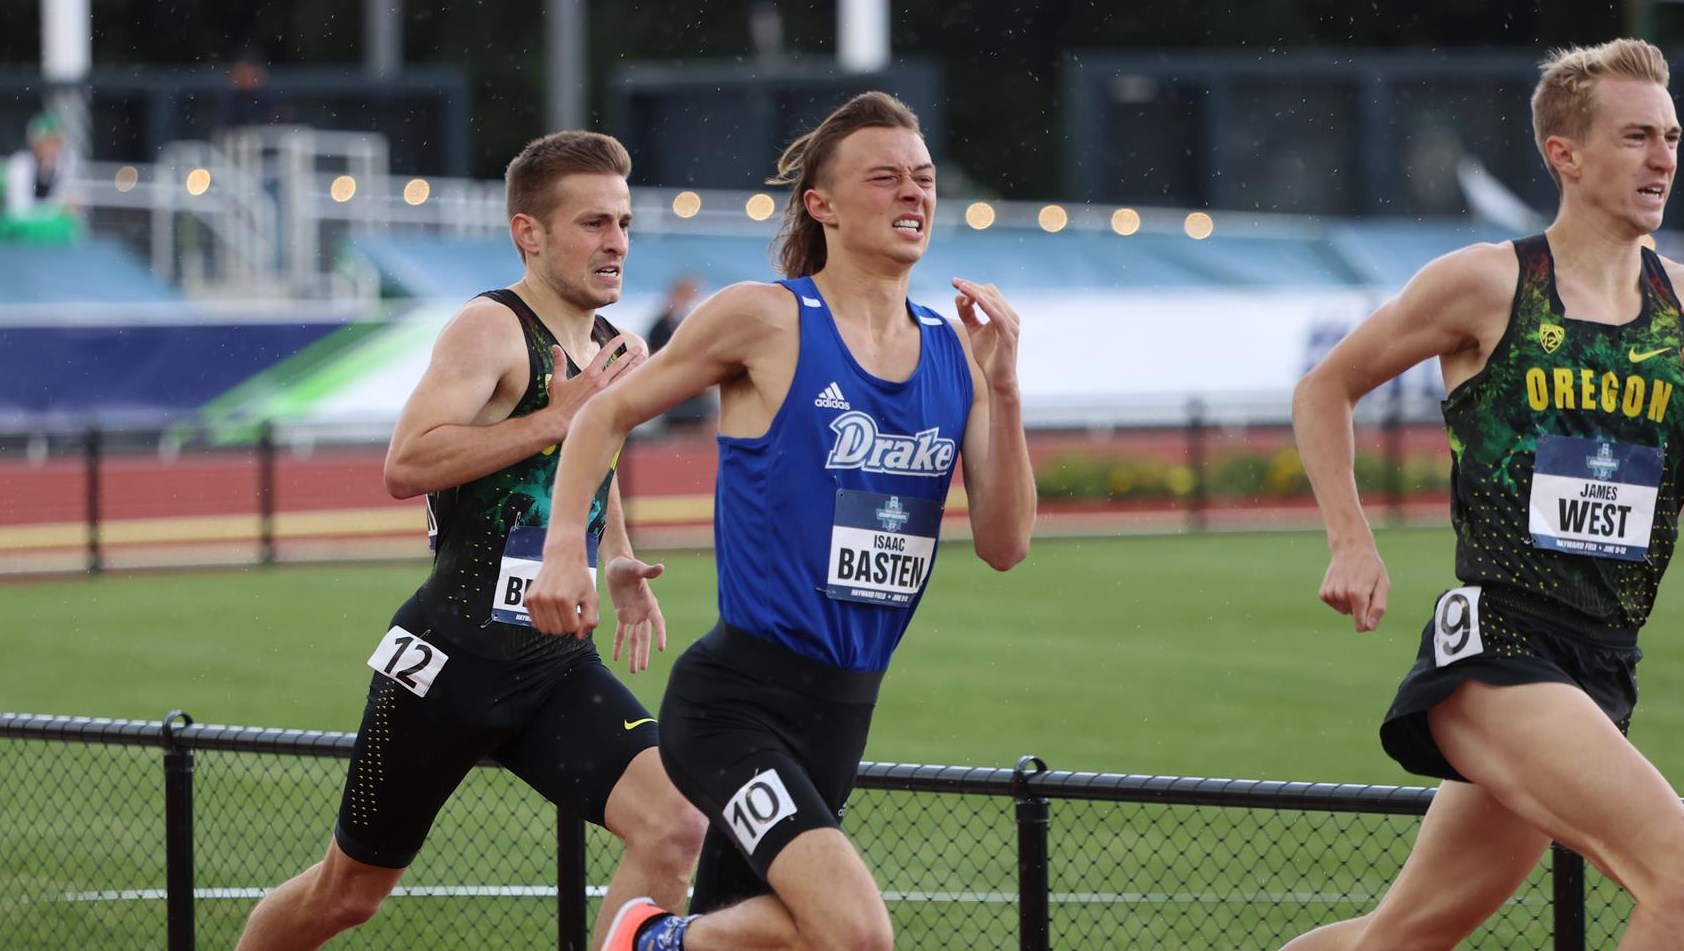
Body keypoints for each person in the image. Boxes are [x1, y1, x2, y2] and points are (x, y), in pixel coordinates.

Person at [525, 90, 1037, 951]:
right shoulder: (766, 318)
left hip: (843, 714)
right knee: (856, 933)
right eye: (885, 178)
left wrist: (1008, 388)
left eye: (924, 178)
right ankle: (647, 939)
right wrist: (567, 554)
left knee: (783, 940)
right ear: (822, 205)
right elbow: (601, 416)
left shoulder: (958, 351)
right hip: (736, 704)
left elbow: (1006, 542)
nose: (913, 194)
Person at [234, 130, 705, 951]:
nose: (618, 242)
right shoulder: (490, 327)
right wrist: (556, 415)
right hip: (448, 662)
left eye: (624, 222)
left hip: (554, 660)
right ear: (530, 232)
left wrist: (617, 552)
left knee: (676, 825)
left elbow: (593, 458)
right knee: (345, 895)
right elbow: (406, 462)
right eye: (594, 223)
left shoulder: (612, 347)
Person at [1285, 38, 1684, 949]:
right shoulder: (1491, 283)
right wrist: (1351, 539)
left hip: (1603, 664)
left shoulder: (1680, 313)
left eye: (1672, 135)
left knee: (1405, 934)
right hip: (1499, 646)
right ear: (1566, 155)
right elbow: (1323, 390)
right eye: (1636, 136)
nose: (1663, 158)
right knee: (1681, 877)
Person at [645, 274, 716, 432]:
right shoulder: (662, 326)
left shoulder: (702, 323)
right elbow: (653, 359)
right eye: (686, 294)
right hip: (674, 395)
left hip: (698, 394)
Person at [2, 112, 80, 243]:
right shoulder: (19, 164)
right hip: (19, 230)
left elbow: (64, 205)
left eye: (55, 143)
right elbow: (18, 209)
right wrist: (51, 214)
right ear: (35, 144)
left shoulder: (64, 165)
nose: (52, 149)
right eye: (47, 142)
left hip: (46, 229)